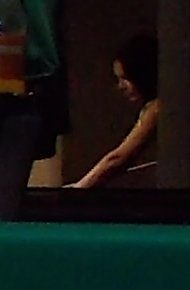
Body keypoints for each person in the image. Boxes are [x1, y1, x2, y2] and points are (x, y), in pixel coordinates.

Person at [71, 30, 167, 188]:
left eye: (125, 78)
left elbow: (118, 158)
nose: (121, 86)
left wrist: (79, 188)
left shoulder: (157, 108)